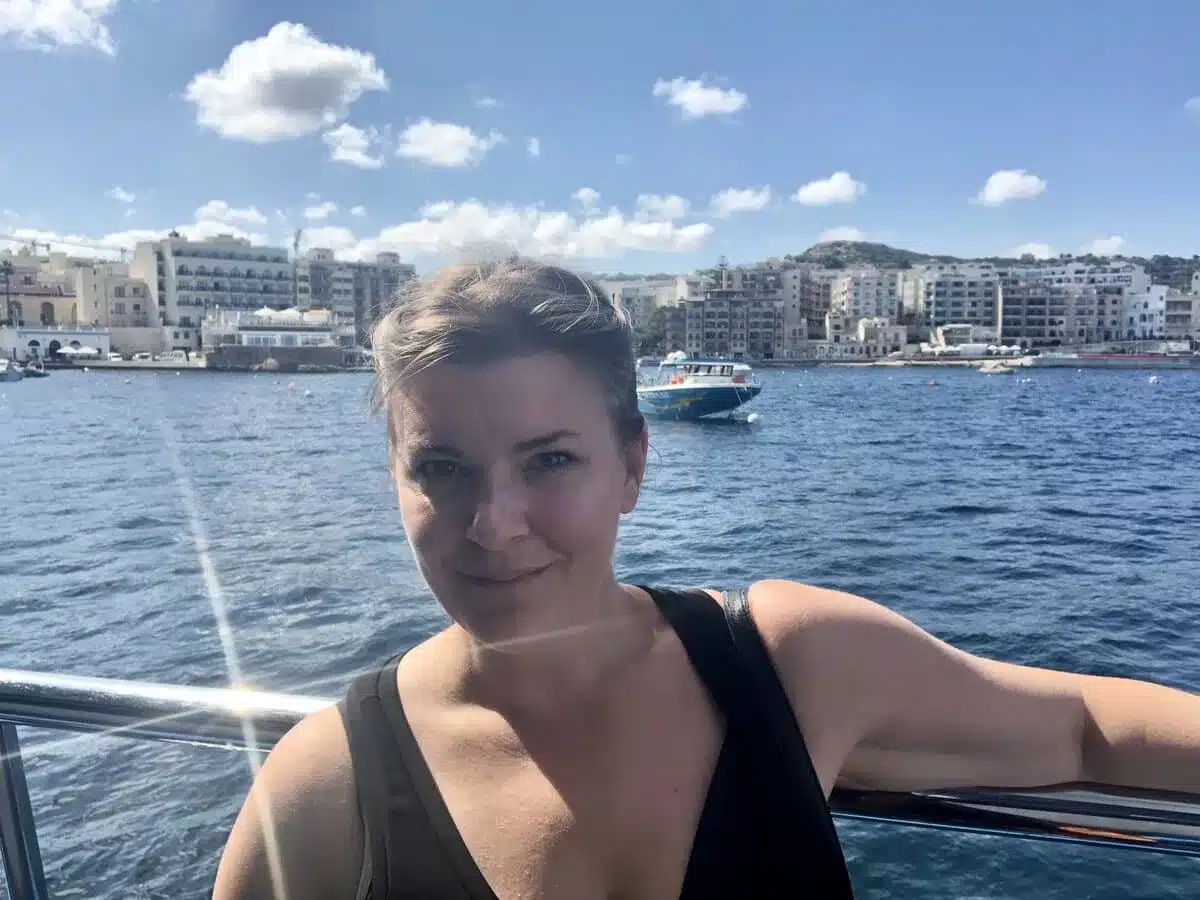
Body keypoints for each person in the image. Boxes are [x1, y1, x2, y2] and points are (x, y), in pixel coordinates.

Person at [213, 259, 1200, 900]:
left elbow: (1079, 725)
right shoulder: (322, 788)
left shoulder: (786, 663)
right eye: (441, 468)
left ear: (633, 466)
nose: (494, 524)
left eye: (550, 461)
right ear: (395, 480)